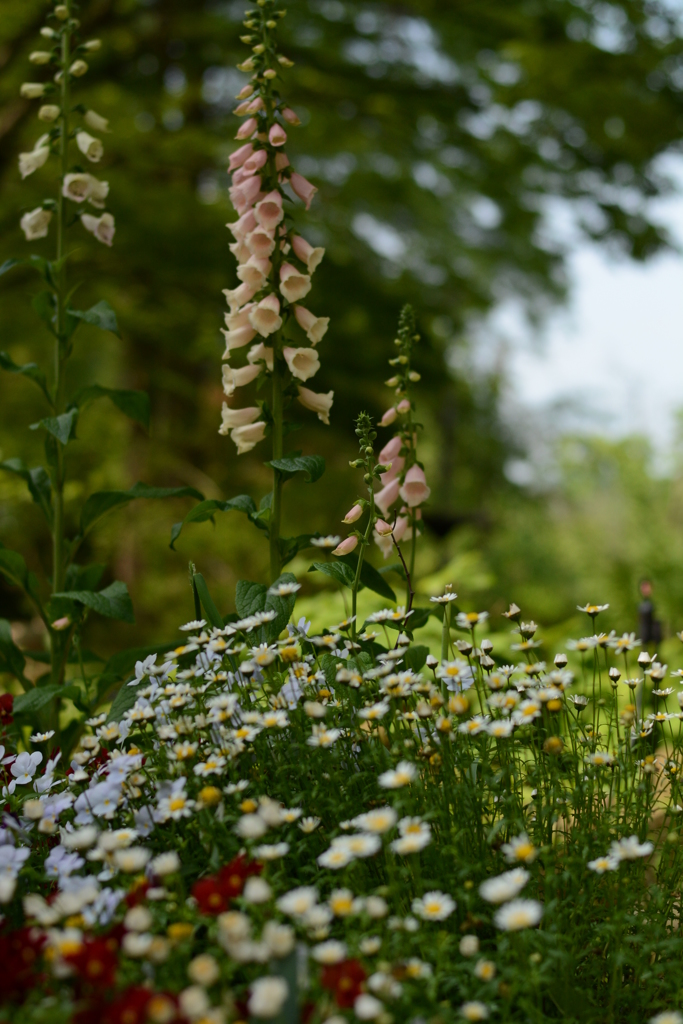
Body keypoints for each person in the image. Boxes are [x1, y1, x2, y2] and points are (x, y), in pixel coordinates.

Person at [638, 579, 662, 649]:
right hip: (644, 633)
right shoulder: (641, 604)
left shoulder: (653, 603)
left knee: (655, 653)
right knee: (644, 652)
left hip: (654, 633)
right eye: (644, 587)